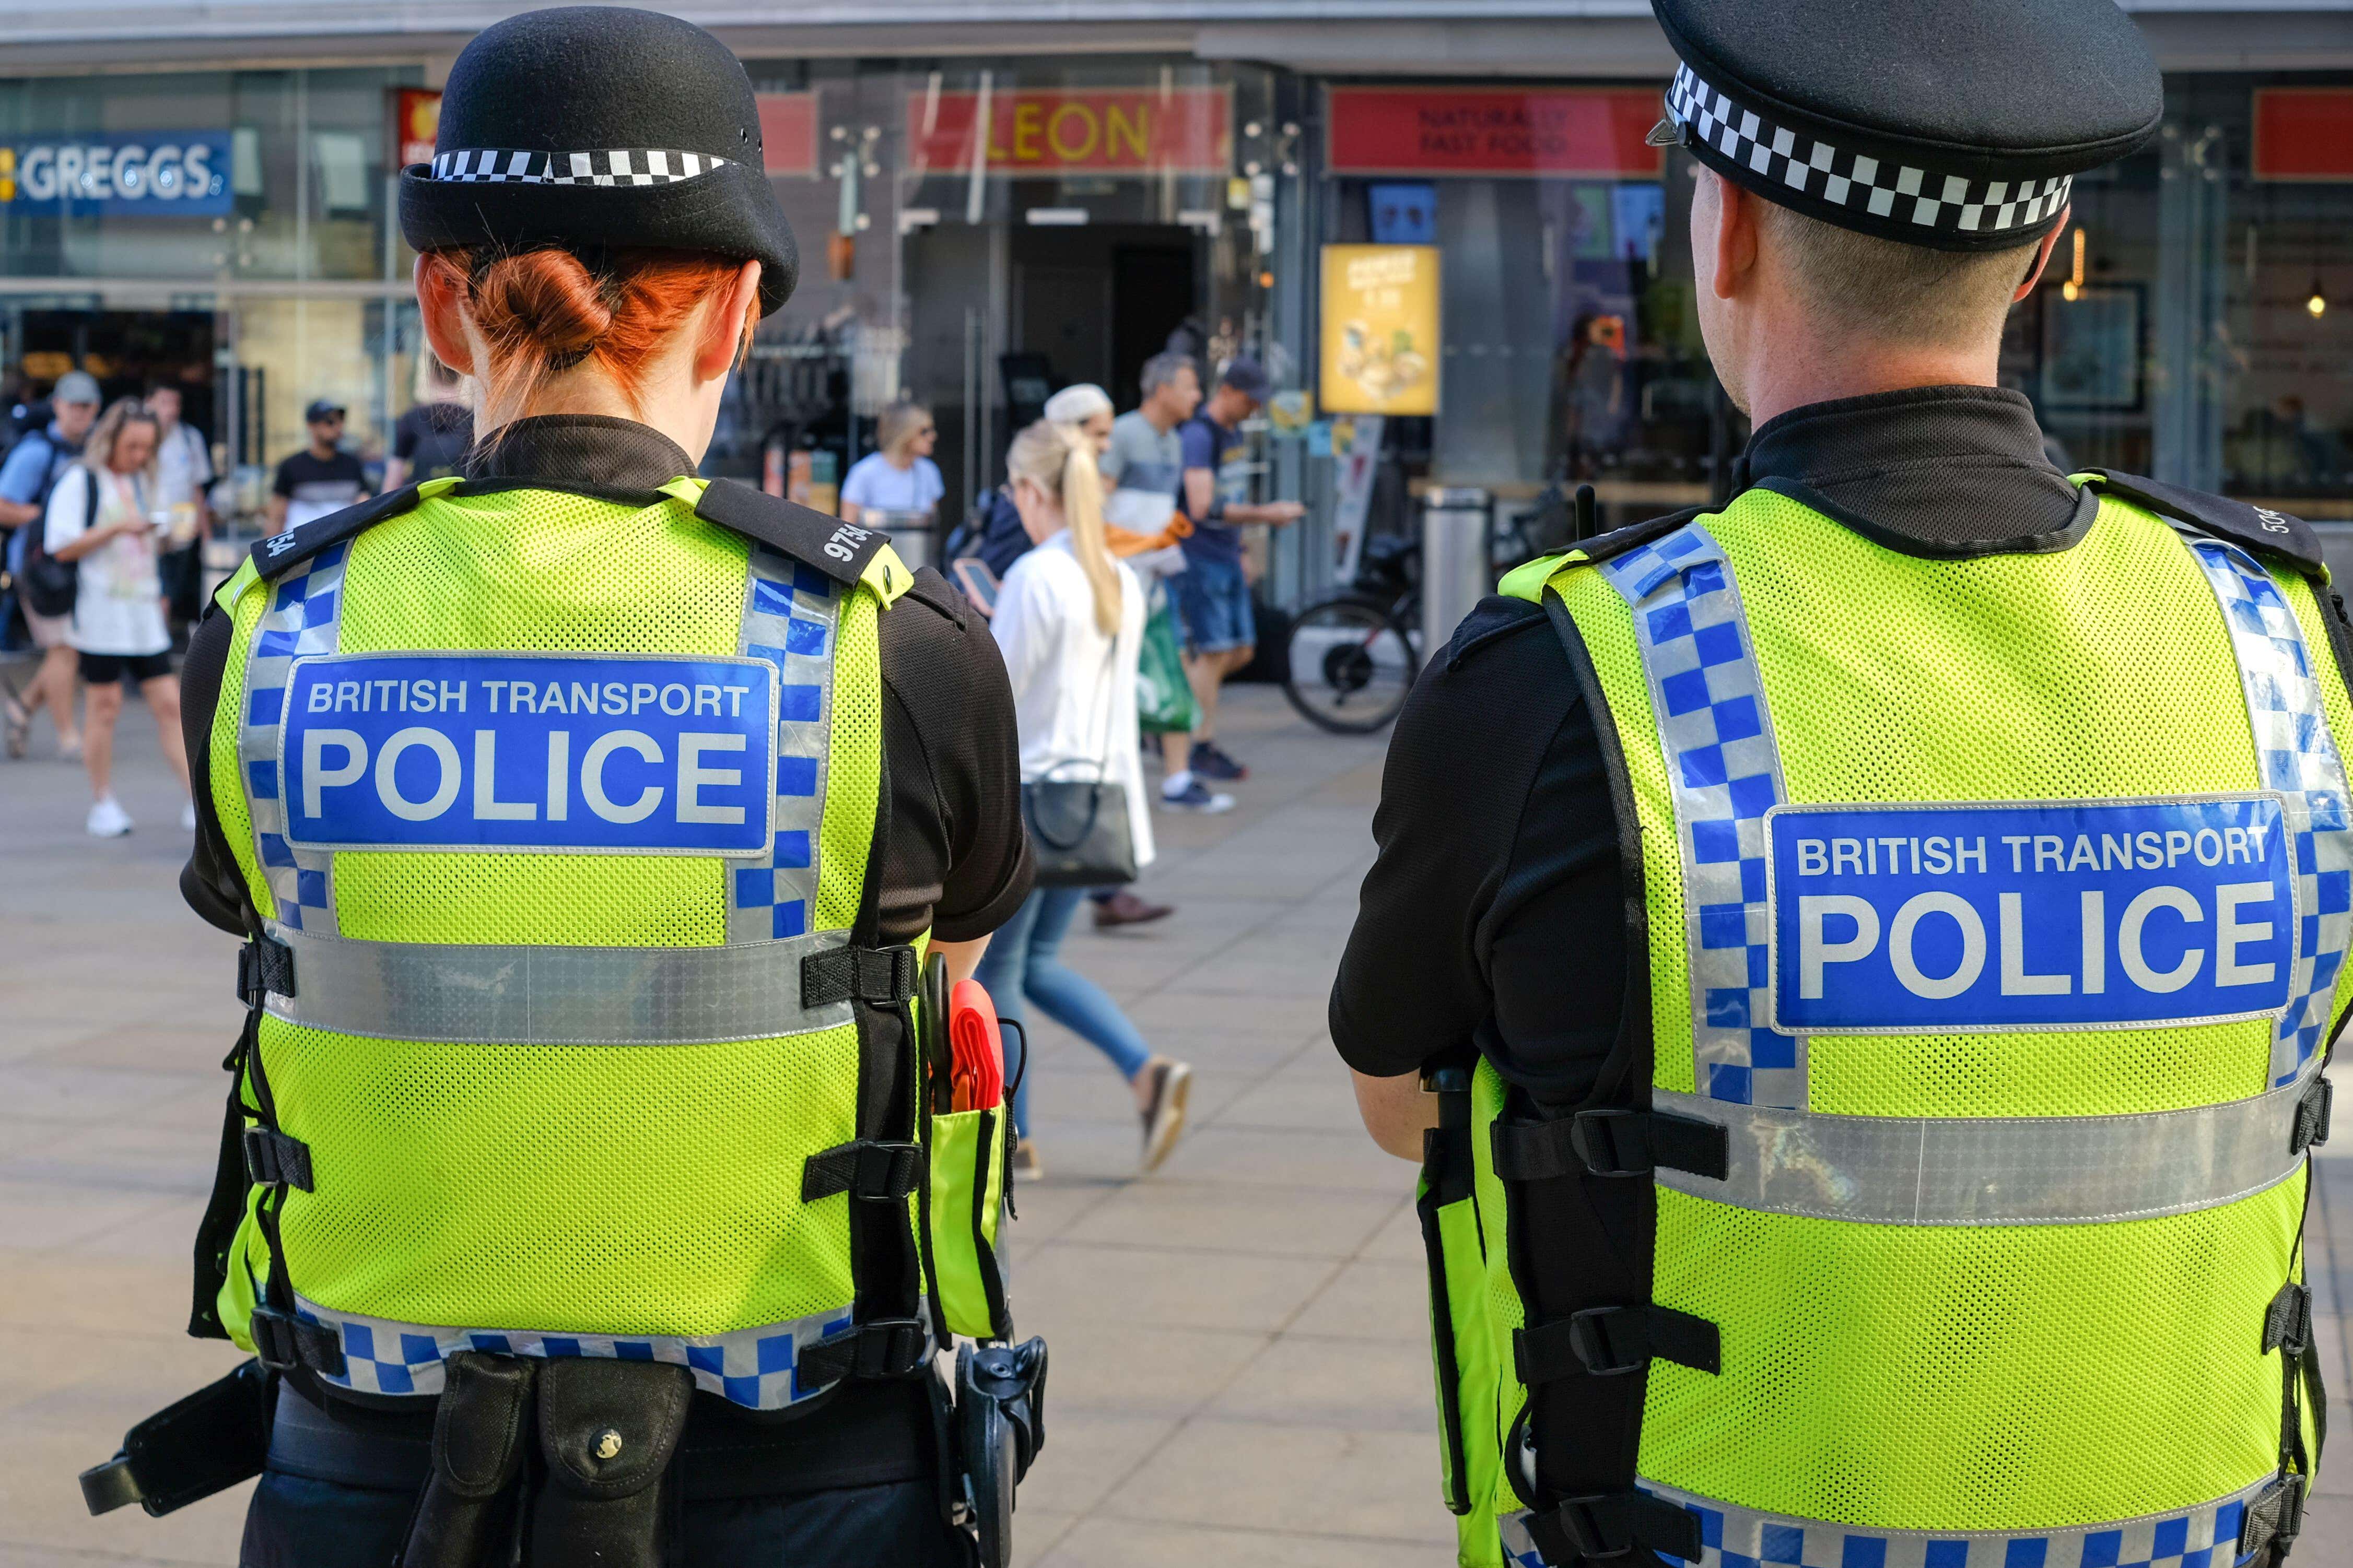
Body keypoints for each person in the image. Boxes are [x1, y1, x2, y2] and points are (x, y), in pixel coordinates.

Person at [1334, 3, 2333, 1566]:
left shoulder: (1563, 675)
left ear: (1719, 230)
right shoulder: (2277, 650)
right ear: (2042, 253)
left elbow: (1408, 1104)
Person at [118, 11, 1037, 1566]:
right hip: (798, 1475)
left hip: (364, 1468)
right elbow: (933, 1005)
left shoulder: (271, 628)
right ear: (738, 312)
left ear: (438, 306)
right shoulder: (893, 640)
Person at [977, 418, 1191, 1181]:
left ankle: (1017, 1141)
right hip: (1094, 809)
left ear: (1032, 490)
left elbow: (996, 696)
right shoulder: (1117, 576)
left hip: (1033, 801)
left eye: (1014, 490)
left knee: (995, 976)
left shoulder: (1038, 576)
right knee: (1036, 962)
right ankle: (1145, 1071)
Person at [1160, 353, 1302, 811]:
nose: (1255, 409)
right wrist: (1268, 514)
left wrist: (1241, 549)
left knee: (1237, 650)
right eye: (1249, 400)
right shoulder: (1199, 435)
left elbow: (1231, 497)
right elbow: (1202, 507)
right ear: (1228, 392)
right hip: (1199, 557)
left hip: (1223, 554)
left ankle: (1177, 721)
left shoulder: (1232, 432)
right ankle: (1196, 742)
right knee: (1217, 650)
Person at [44, 398, 191, 837]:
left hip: (143, 612)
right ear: (111, 439)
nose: (139, 456)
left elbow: (156, 541)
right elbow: (61, 545)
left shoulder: (146, 481)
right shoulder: (81, 480)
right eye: (132, 446)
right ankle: (102, 801)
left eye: (147, 447)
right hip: (101, 612)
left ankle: (195, 800)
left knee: (170, 704)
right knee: (103, 707)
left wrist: (163, 531)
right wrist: (117, 527)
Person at [0, 369, 100, 760]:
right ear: (57, 405)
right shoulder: (36, 451)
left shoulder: (93, 450)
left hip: (78, 564)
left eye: (88, 406)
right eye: (73, 405)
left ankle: (21, 707)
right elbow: (4, 504)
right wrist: (50, 520)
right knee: (64, 649)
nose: (81, 413)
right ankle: (68, 736)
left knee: (70, 647)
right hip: (38, 568)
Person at [146, 382, 215, 638]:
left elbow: (197, 487)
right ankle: (155, 644)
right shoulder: (136, 435)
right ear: (149, 402)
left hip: (181, 525)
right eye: (165, 402)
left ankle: (159, 642)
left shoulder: (189, 437)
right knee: (155, 587)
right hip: (144, 525)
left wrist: (206, 533)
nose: (172, 410)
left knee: (171, 586)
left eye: (176, 403)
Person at [266, 399, 370, 535]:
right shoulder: (291, 466)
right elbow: (277, 516)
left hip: (344, 546)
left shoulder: (353, 464)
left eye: (341, 421)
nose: (337, 427)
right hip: (302, 550)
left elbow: (364, 505)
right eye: (330, 422)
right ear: (311, 426)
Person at [838, 400, 943, 528]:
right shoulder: (864, 472)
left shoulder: (929, 472)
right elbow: (847, 528)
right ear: (904, 432)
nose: (933, 436)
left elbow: (931, 527)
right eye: (924, 431)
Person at [383, 354, 475, 488]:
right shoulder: (473, 420)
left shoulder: (412, 419)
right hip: (462, 505)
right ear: (460, 374)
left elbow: (393, 481)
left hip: (423, 504)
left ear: (431, 374)